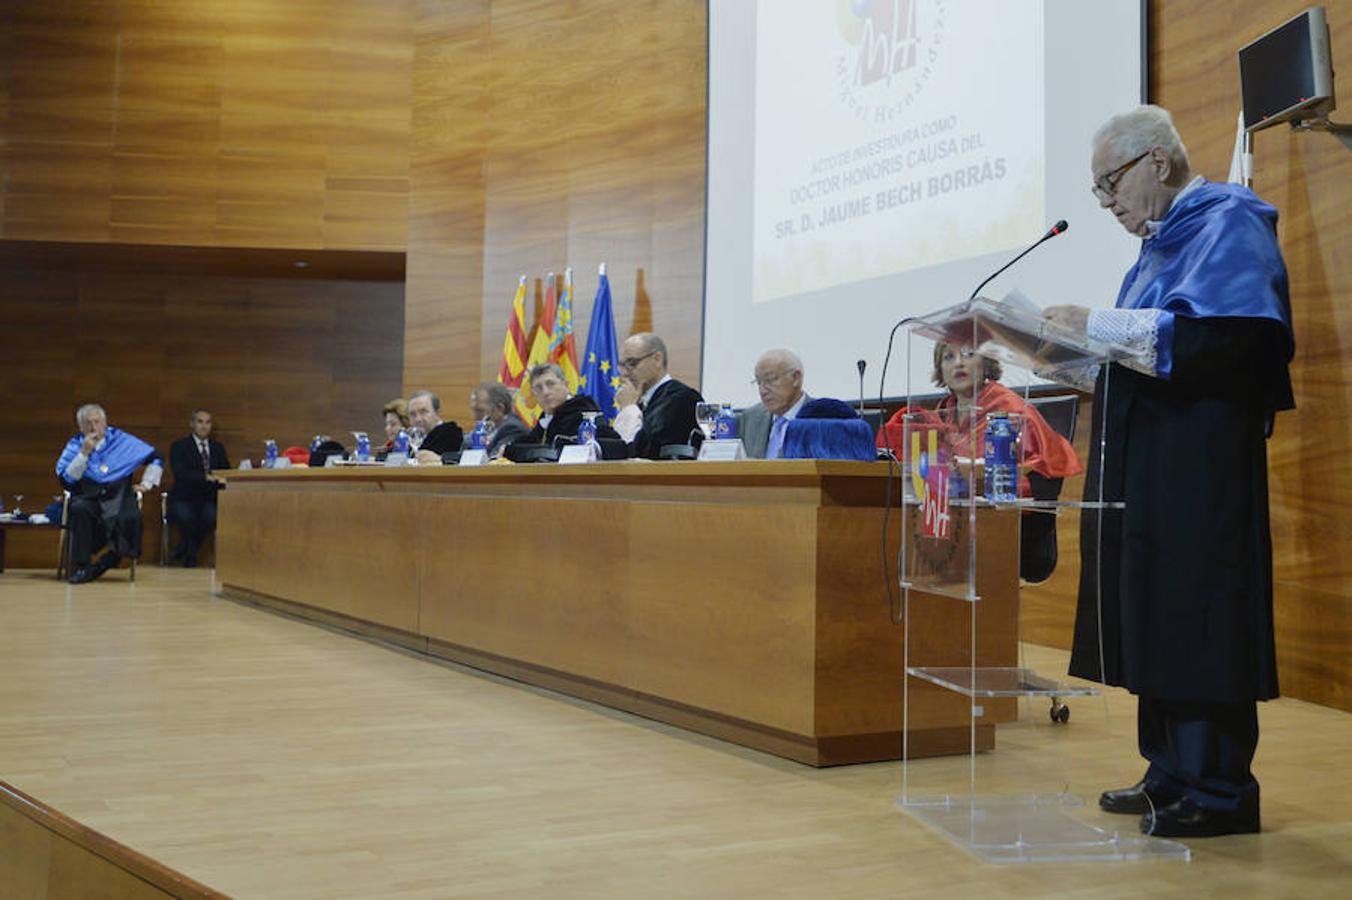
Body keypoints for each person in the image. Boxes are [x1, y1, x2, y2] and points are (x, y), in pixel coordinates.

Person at [1043, 105, 1294, 838]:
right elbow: (1143, 355)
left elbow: (1232, 339)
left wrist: (1094, 324)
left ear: (1157, 160)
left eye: (1110, 182)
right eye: (1097, 190)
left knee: (1198, 612)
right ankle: (1168, 771)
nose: (1107, 202)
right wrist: (1060, 352)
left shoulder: (1229, 219)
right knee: (1155, 608)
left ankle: (1218, 788)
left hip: (1201, 466)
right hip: (1150, 459)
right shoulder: (1157, 248)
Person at [876, 342, 1083, 493]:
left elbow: (1043, 480)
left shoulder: (1010, 409)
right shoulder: (943, 412)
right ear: (940, 370)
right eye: (949, 357)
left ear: (986, 362)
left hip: (1006, 520)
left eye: (968, 354)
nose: (959, 363)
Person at [56, 404, 162, 584]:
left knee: (132, 517)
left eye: (97, 422)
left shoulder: (120, 440)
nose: (93, 427)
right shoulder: (75, 445)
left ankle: (108, 561)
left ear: (105, 423)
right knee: (79, 510)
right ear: (81, 427)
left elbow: (155, 457)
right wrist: (84, 453)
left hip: (119, 495)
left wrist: (147, 484)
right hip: (89, 496)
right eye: (88, 423)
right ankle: (83, 566)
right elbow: (68, 480)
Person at [612, 332, 703, 459]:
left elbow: (646, 452)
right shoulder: (641, 403)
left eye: (632, 363)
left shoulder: (682, 399)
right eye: (622, 366)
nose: (625, 373)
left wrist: (628, 409)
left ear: (657, 359)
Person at [167, 408, 230, 567]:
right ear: (192, 424)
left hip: (208, 498)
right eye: (200, 422)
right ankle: (190, 555)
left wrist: (222, 478)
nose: (204, 426)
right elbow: (180, 472)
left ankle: (185, 548)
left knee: (211, 517)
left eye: (208, 422)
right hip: (184, 497)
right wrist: (204, 477)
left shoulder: (218, 448)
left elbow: (226, 470)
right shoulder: (179, 446)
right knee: (186, 517)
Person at [519, 363, 620, 448]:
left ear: (566, 385)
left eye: (550, 384)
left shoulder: (585, 412)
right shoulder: (543, 422)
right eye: (538, 388)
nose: (545, 392)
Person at [738, 349, 812, 459]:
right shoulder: (750, 418)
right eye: (758, 382)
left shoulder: (823, 418)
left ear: (796, 378)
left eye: (770, 380)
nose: (762, 390)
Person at [469, 382, 528, 457]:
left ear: (500, 408)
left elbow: (493, 460)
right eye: (474, 410)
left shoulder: (512, 429)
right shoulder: (487, 428)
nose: (475, 417)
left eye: (480, 411)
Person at [408, 390, 463, 464]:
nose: (418, 419)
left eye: (423, 412)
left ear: (437, 413)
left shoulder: (450, 434)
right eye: (412, 414)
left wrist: (441, 459)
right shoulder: (409, 440)